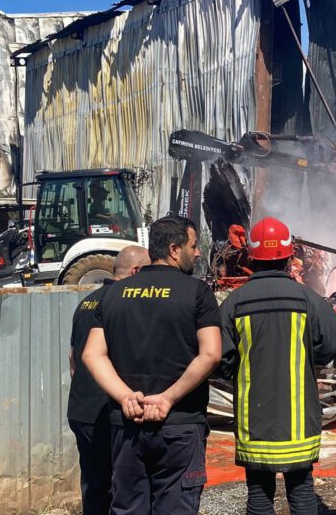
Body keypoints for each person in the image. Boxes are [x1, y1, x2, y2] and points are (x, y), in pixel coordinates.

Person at [82, 215, 222, 515]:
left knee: (128, 508)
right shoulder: (198, 293)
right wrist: (168, 397)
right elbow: (211, 354)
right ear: (174, 249)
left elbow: (91, 354)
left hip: (127, 427)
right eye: (193, 246)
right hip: (180, 428)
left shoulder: (113, 294)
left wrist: (125, 397)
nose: (197, 253)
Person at [218, 217, 336, 515]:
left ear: (251, 257)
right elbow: (333, 341)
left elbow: (219, 358)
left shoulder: (234, 303)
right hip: (299, 420)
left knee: (259, 496)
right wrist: (307, 357)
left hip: (254, 421)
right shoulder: (309, 300)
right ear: (290, 257)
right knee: (301, 493)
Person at [68, 245, 151, 515]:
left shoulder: (86, 302)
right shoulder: (124, 302)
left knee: (93, 485)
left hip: (81, 409)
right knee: (122, 489)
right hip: (109, 411)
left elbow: (73, 358)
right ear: (136, 271)